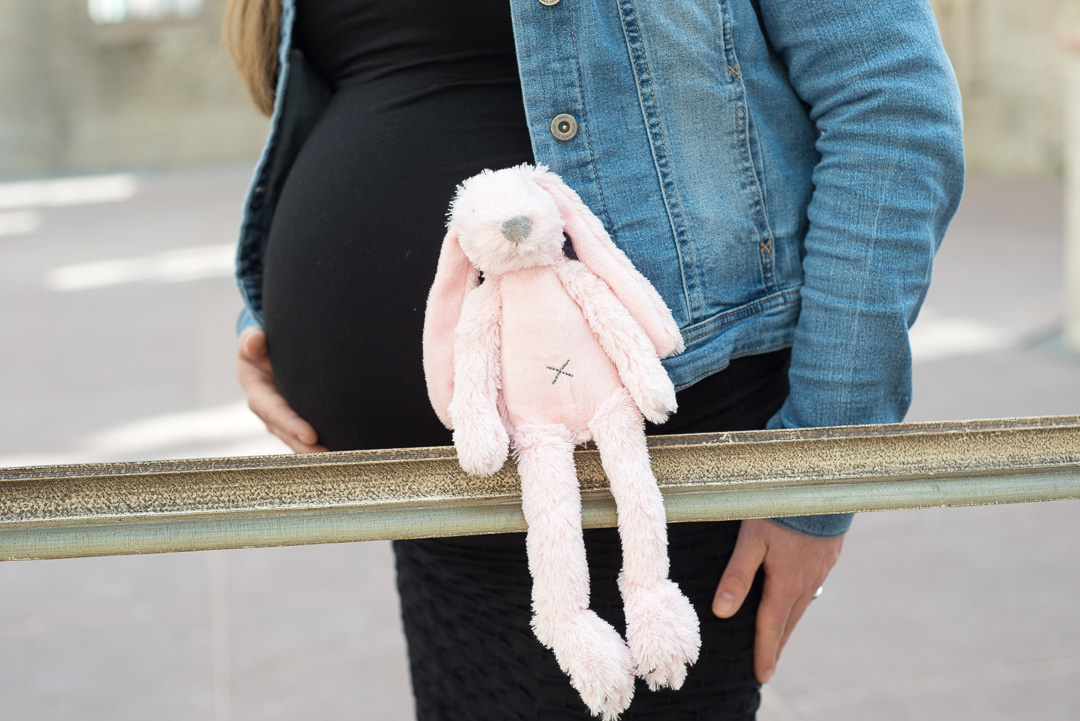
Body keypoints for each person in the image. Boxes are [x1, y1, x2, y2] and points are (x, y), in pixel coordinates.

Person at [226, 0, 964, 718]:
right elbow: (354, 86)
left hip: (639, 463)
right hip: (434, 511)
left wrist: (817, 471)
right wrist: (268, 316)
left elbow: (890, 101)